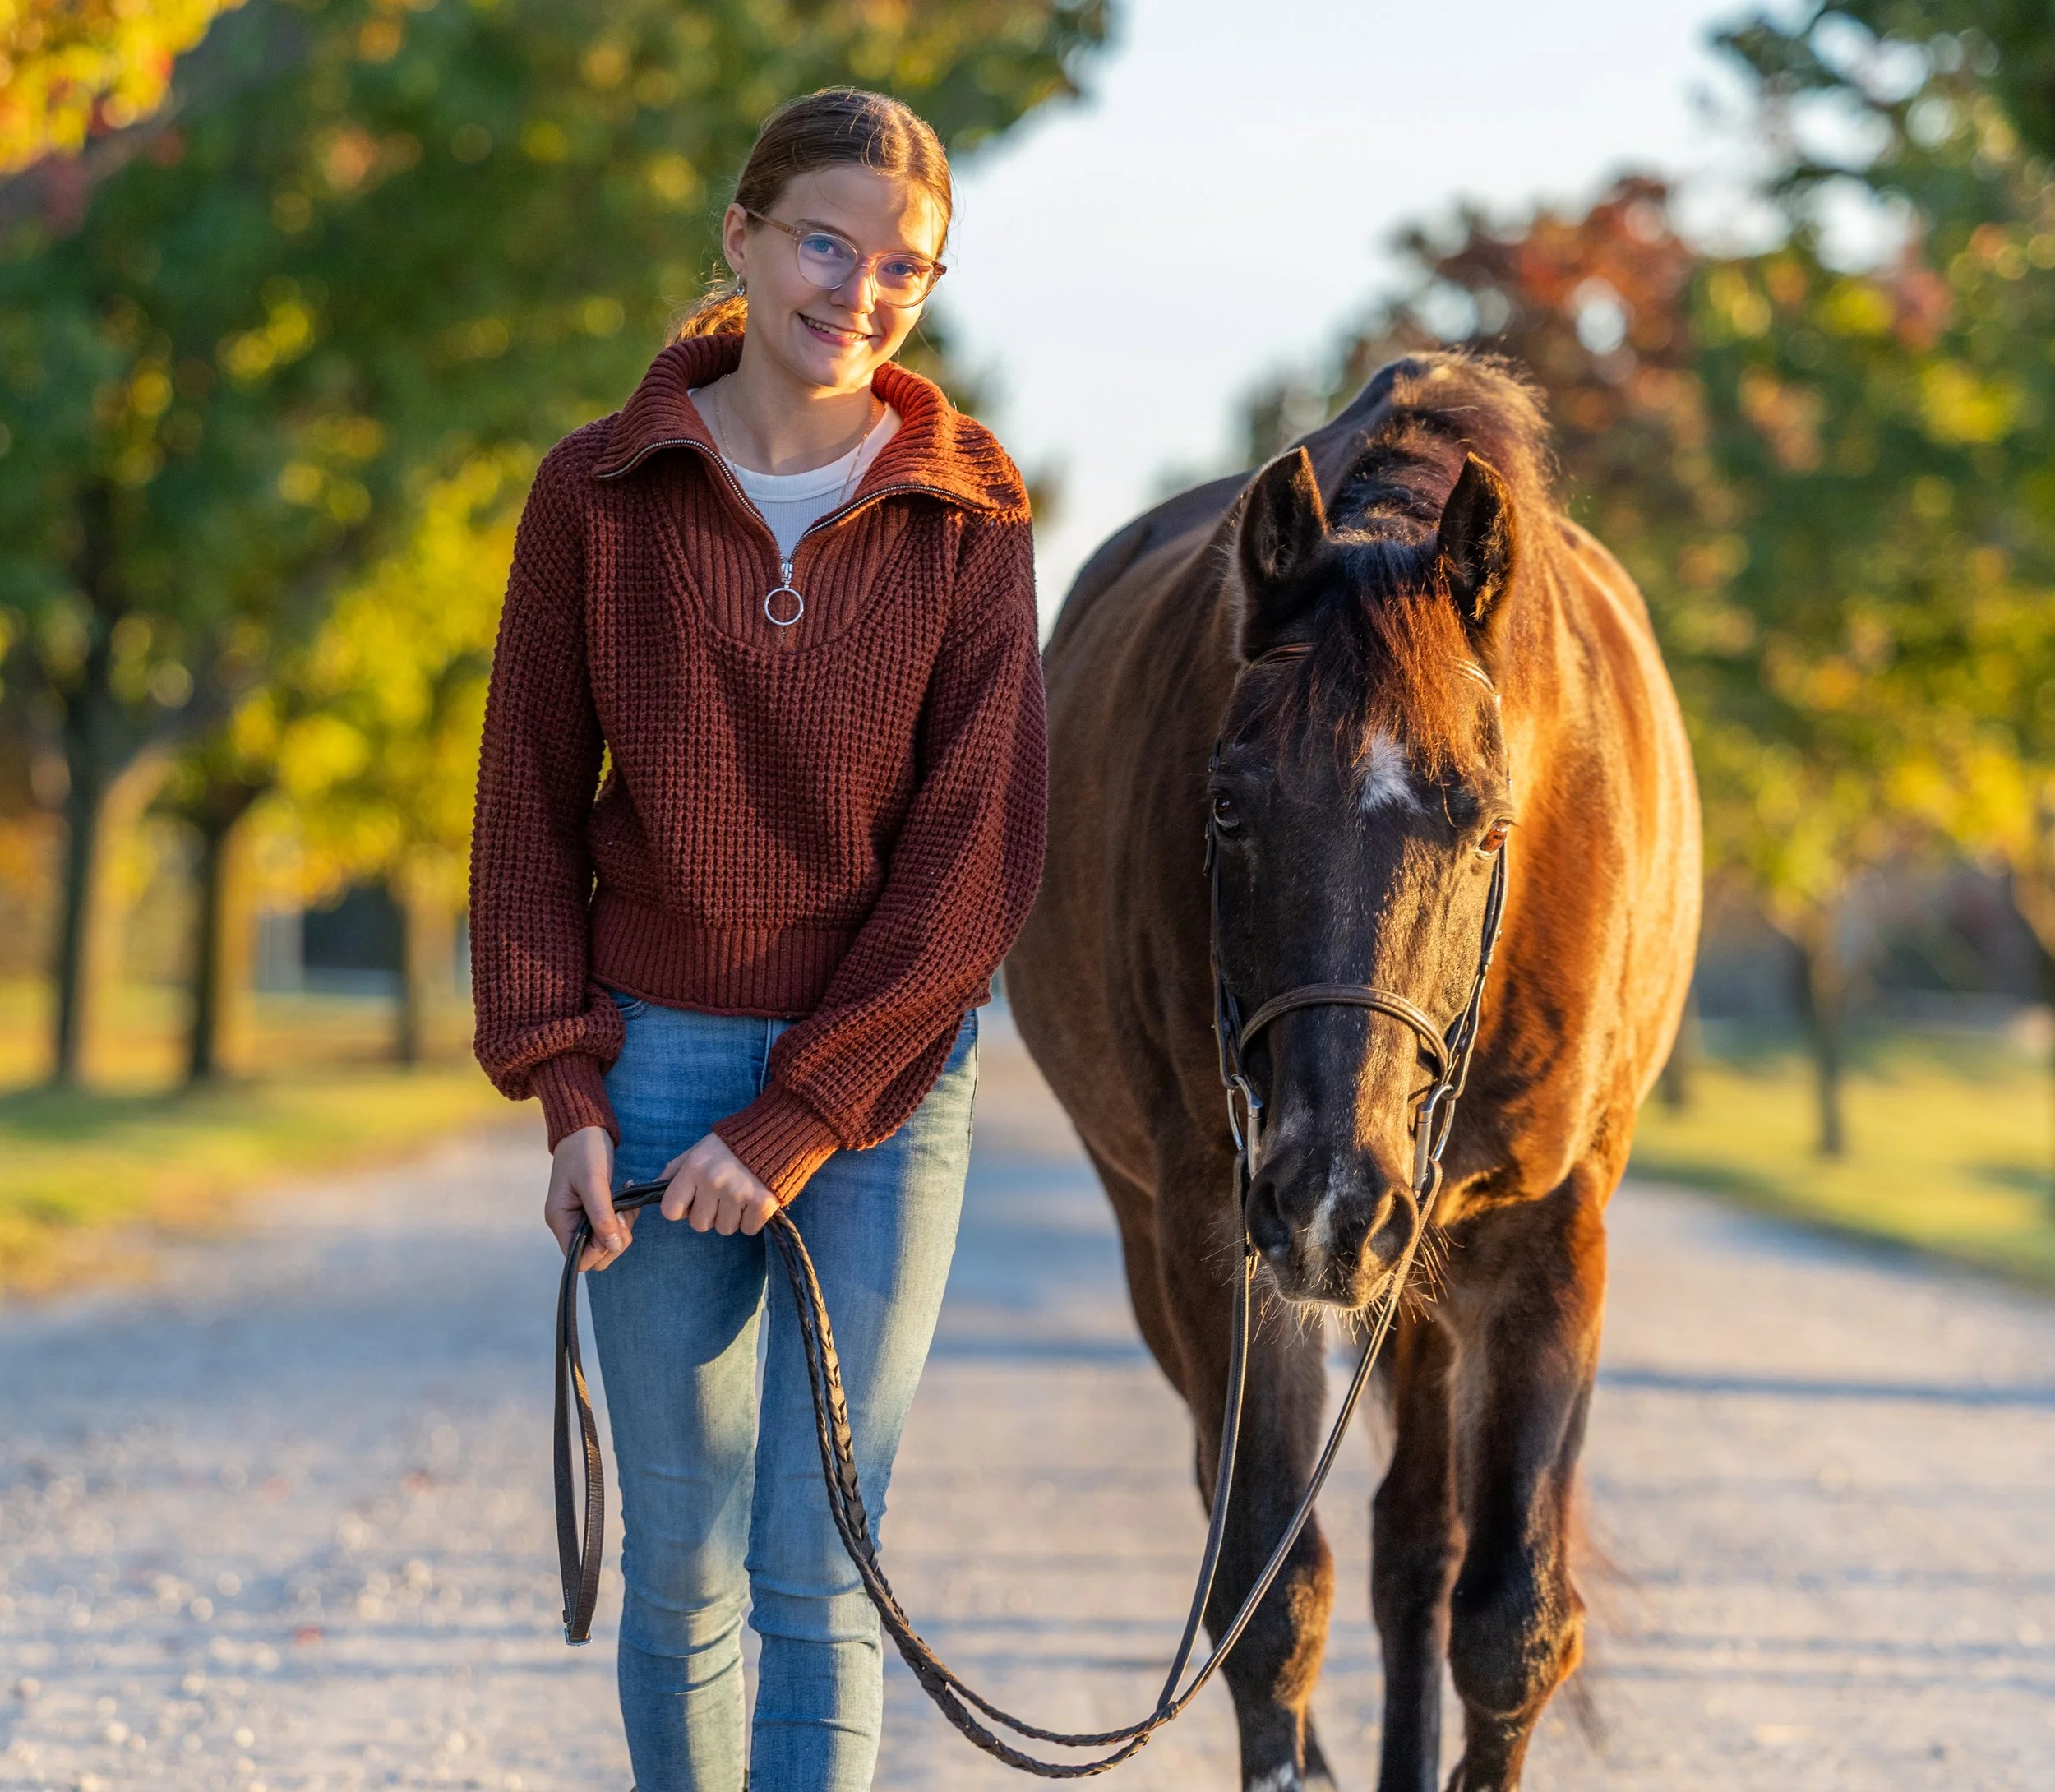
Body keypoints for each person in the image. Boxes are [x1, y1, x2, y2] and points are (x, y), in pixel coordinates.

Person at [468, 86, 1046, 1792]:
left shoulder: (970, 510)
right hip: (647, 1076)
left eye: (902, 269)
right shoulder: (597, 490)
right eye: (823, 240)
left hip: (872, 1098)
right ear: (737, 233)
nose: (856, 290)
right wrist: (570, 1096)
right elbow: (519, 816)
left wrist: (802, 1113)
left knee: (817, 1569)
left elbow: (975, 864)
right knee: (685, 1564)